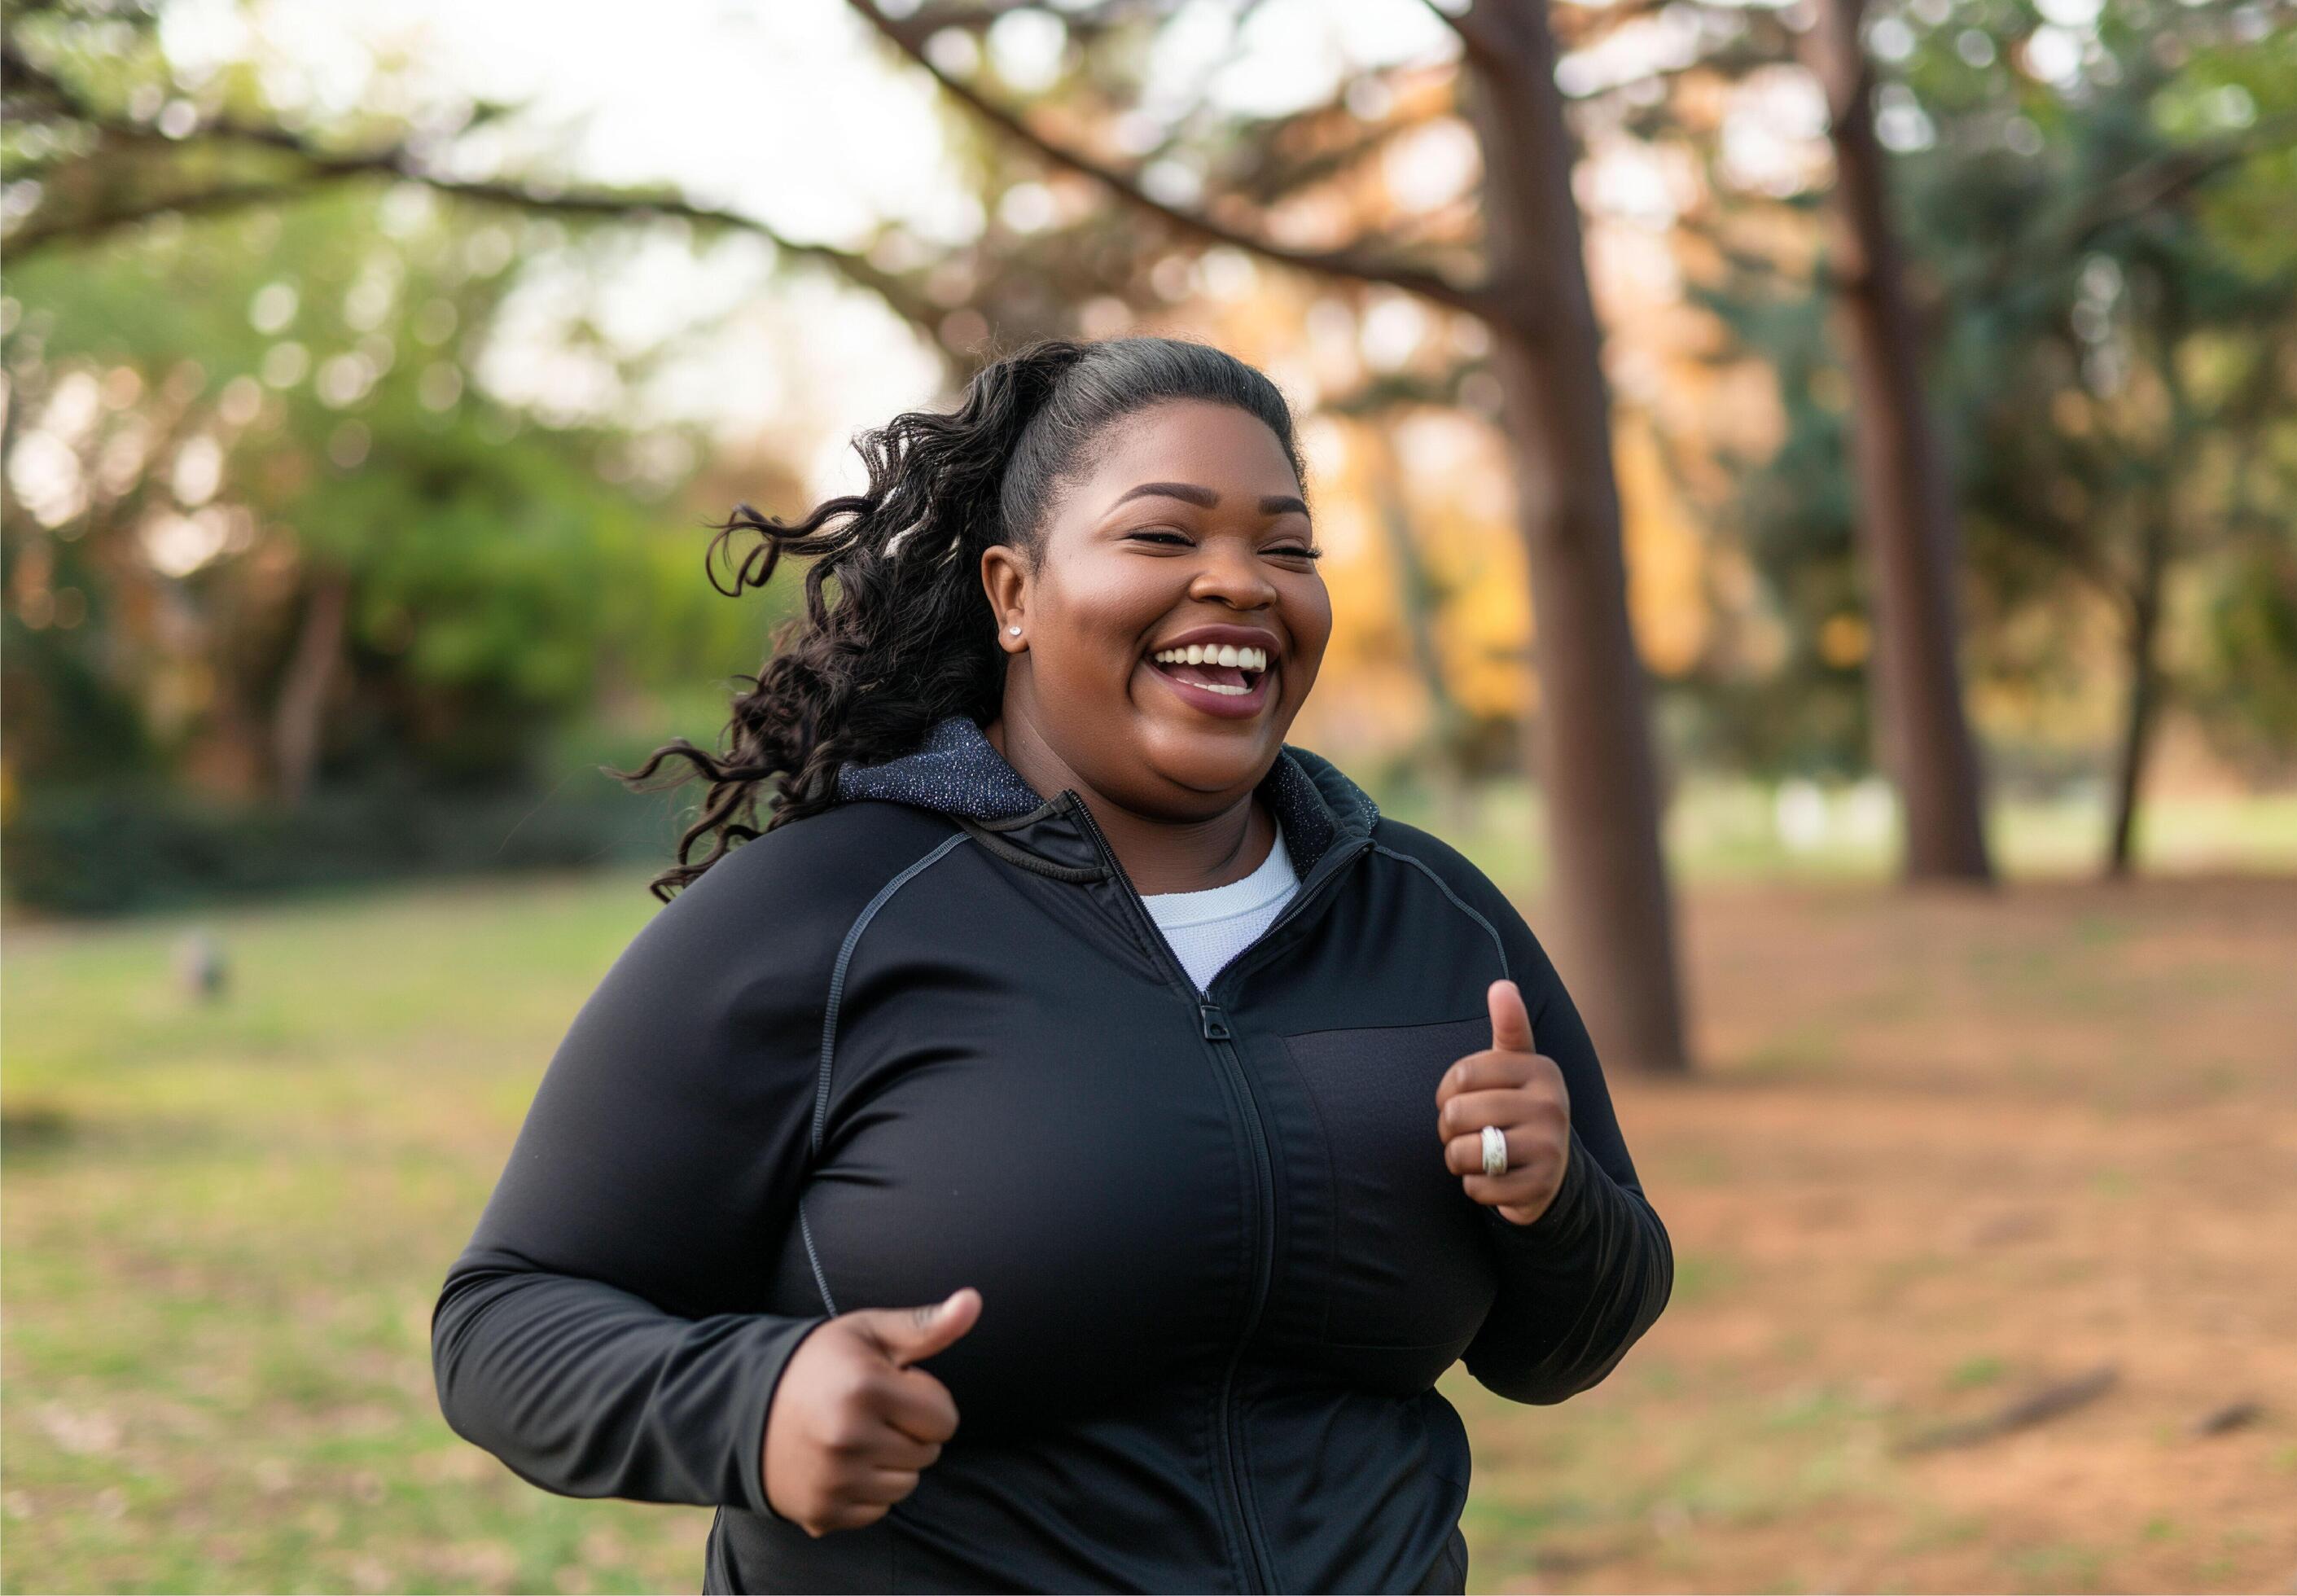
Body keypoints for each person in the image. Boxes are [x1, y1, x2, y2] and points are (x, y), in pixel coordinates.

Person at [429, 335, 1673, 1594]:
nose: (1241, 584)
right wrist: (755, 1403)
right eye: (1165, 537)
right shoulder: (827, 911)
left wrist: (1553, 1203)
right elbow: (506, 1320)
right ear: (1013, 593)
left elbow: (1565, 1348)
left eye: (1287, 549)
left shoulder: (1428, 914)